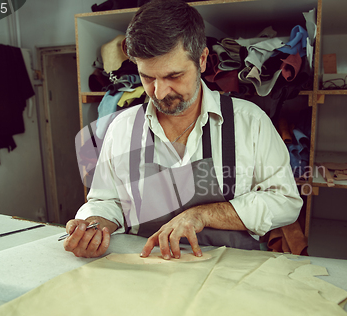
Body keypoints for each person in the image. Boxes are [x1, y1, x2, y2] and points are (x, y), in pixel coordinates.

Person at [64, 0, 303, 259]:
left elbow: (286, 202)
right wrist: (95, 225)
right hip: (147, 273)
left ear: (201, 59)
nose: (160, 92)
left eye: (173, 76)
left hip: (230, 276)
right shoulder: (122, 128)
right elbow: (106, 200)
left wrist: (203, 214)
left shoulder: (250, 122)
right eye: (148, 77)